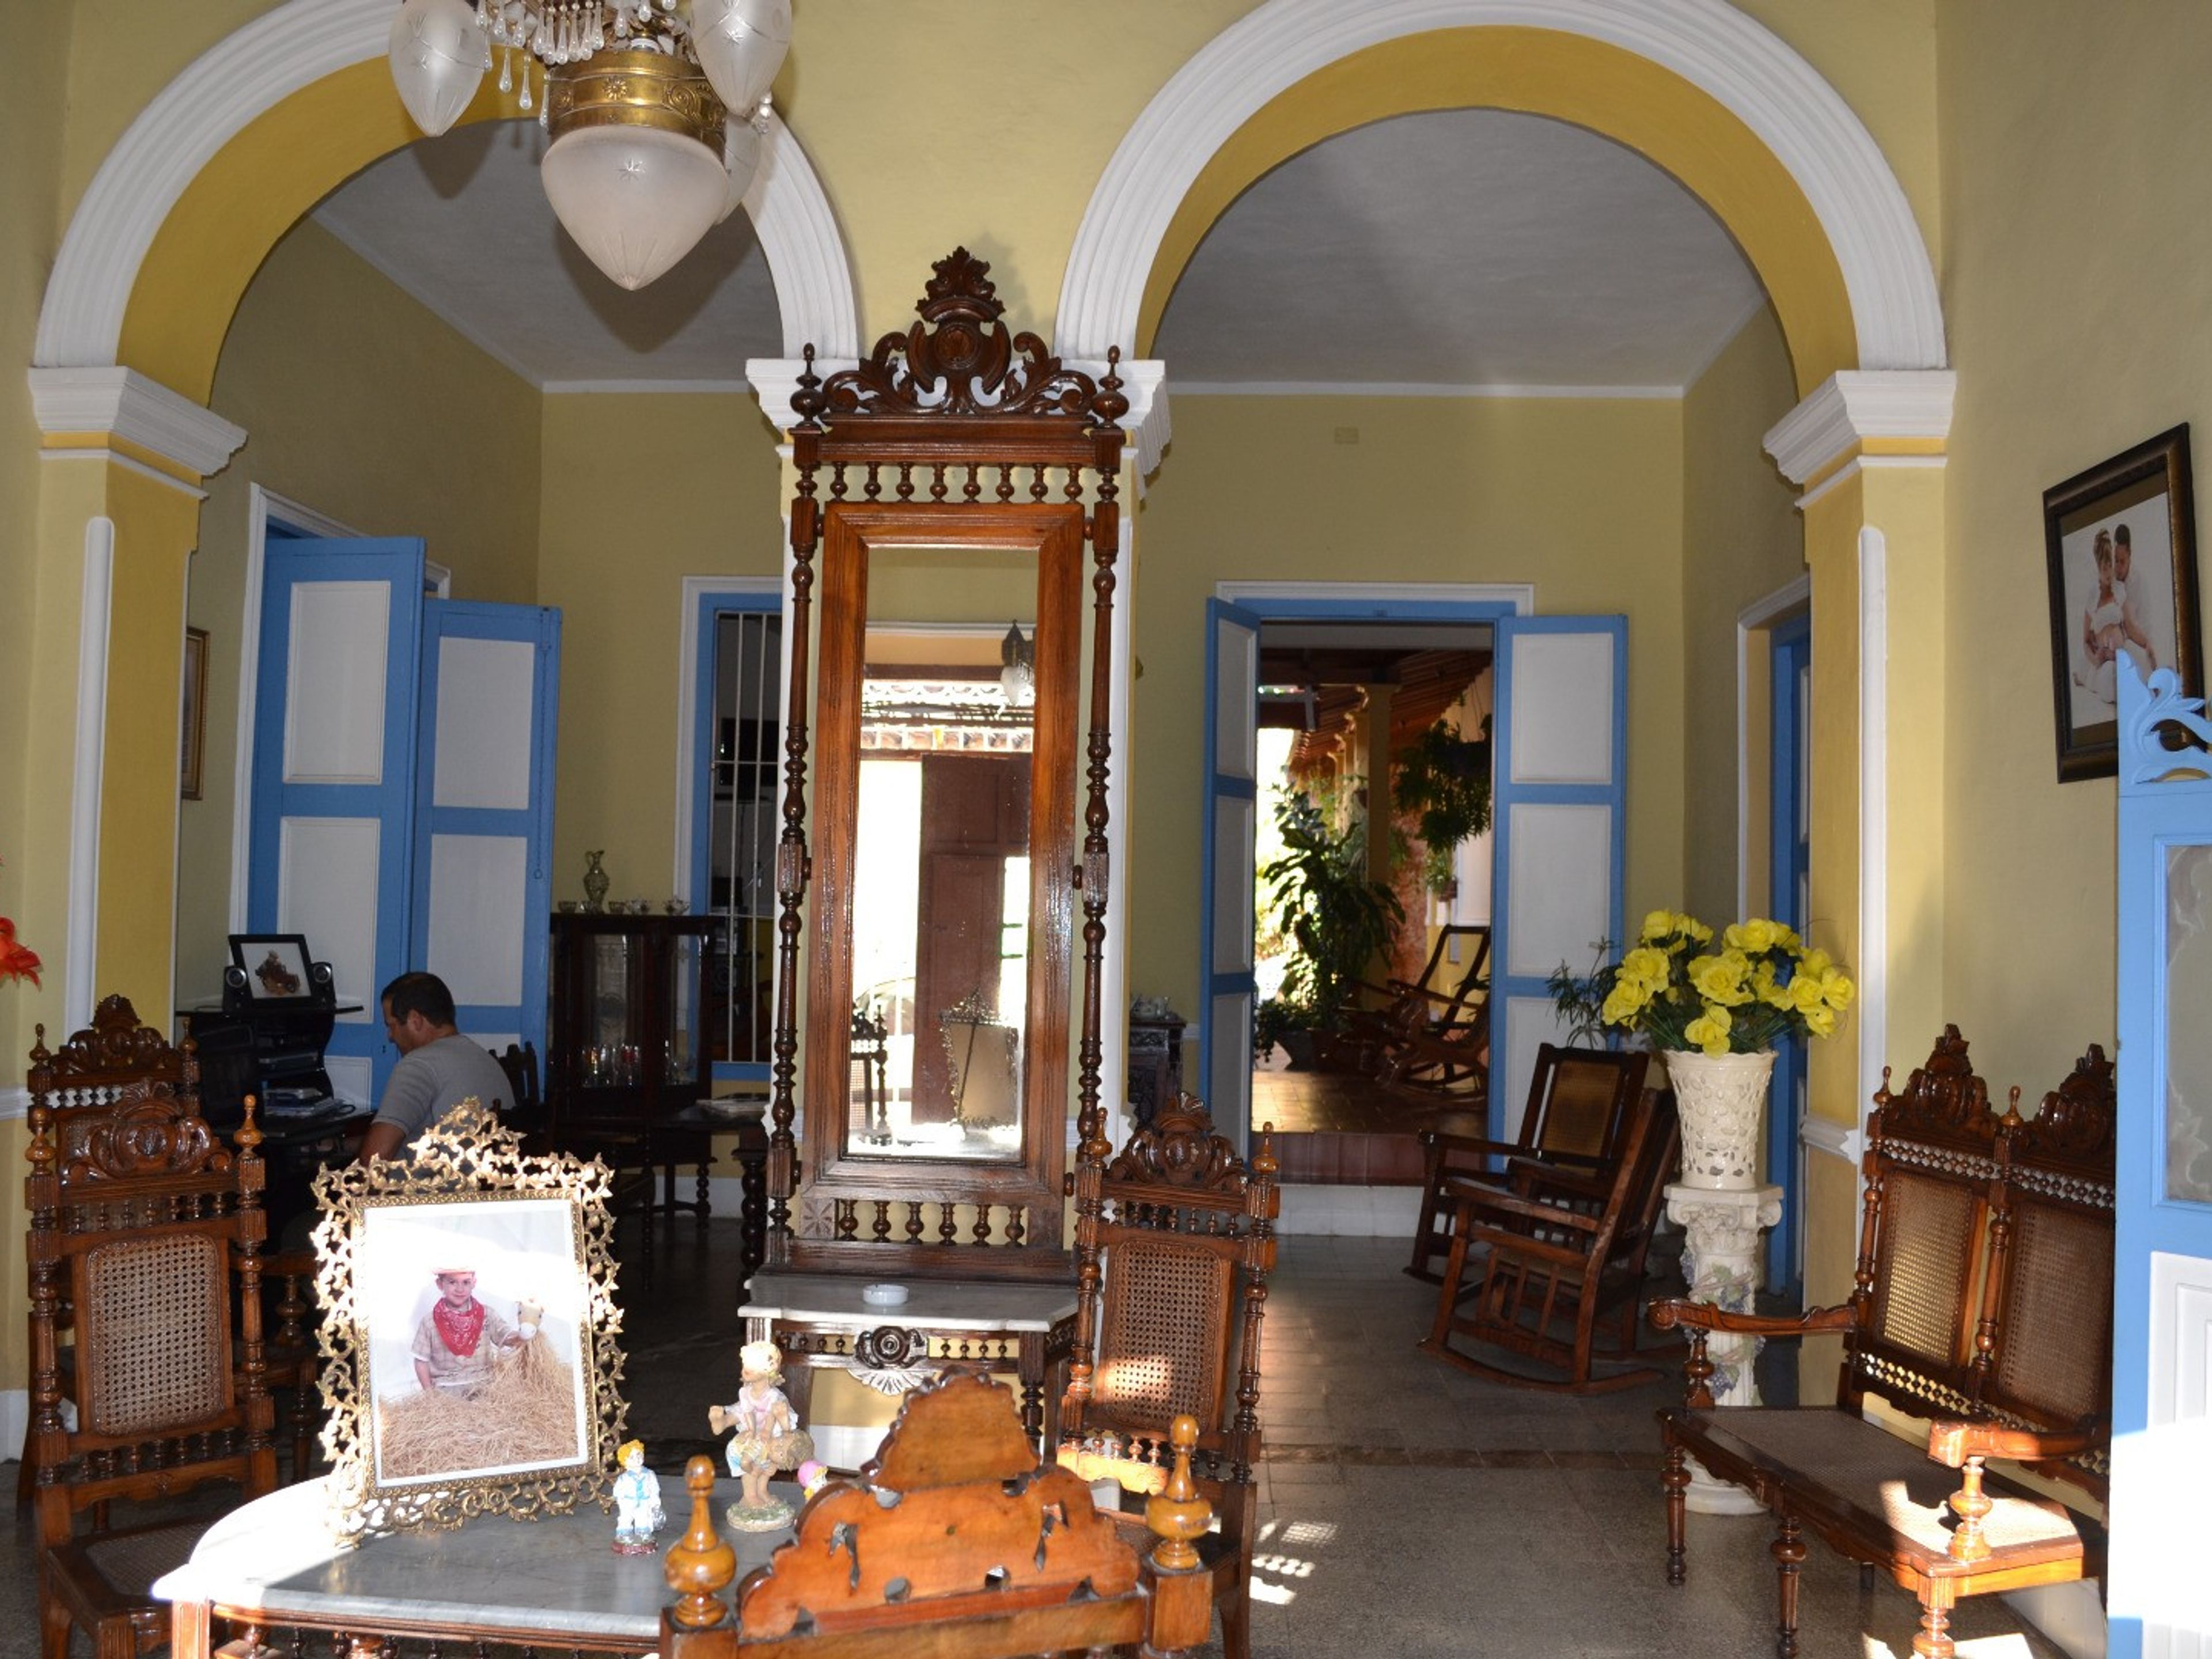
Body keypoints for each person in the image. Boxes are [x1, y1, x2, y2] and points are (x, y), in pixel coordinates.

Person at [358, 970, 515, 1162]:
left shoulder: (418, 1065)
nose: (390, 1037)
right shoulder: (485, 1060)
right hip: (484, 1187)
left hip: (431, 1189)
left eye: (391, 1026)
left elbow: (374, 1157)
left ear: (415, 1021)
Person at [707, 1340, 813, 1528]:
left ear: (768, 1372)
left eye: (753, 1367)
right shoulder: (745, 1392)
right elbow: (747, 1411)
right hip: (754, 1424)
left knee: (768, 1462)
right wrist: (752, 1431)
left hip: (770, 1428)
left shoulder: (774, 1396)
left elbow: (773, 1415)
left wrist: (765, 1432)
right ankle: (750, 1495)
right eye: (746, 1366)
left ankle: (762, 1491)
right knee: (738, 1414)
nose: (746, 1370)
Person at [411, 1264, 527, 1393]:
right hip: (446, 1388)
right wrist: (429, 1393)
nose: (460, 1289)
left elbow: (506, 1337)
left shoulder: (487, 1314)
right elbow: (421, 1361)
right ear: (440, 1284)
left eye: (466, 1282)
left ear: (474, 1283)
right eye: (452, 1282)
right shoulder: (430, 1321)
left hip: (484, 1383)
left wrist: (524, 1334)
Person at [2112, 522, 2160, 675]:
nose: (2118, 567)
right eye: (2116, 560)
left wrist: (2147, 645)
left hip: (2139, 640)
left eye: (2122, 561)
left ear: (2130, 556)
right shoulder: (2109, 579)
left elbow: (2136, 626)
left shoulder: (2139, 581)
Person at [611, 1440, 665, 1554]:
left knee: (643, 1518)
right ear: (625, 1461)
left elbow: (655, 1488)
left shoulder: (649, 1475)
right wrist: (621, 1499)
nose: (637, 1459)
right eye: (632, 1457)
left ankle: (643, 1534)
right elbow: (617, 1491)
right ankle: (624, 1534)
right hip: (628, 1502)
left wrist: (655, 1501)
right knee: (626, 1518)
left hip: (644, 1501)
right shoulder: (624, 1478)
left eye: (639, 1455)